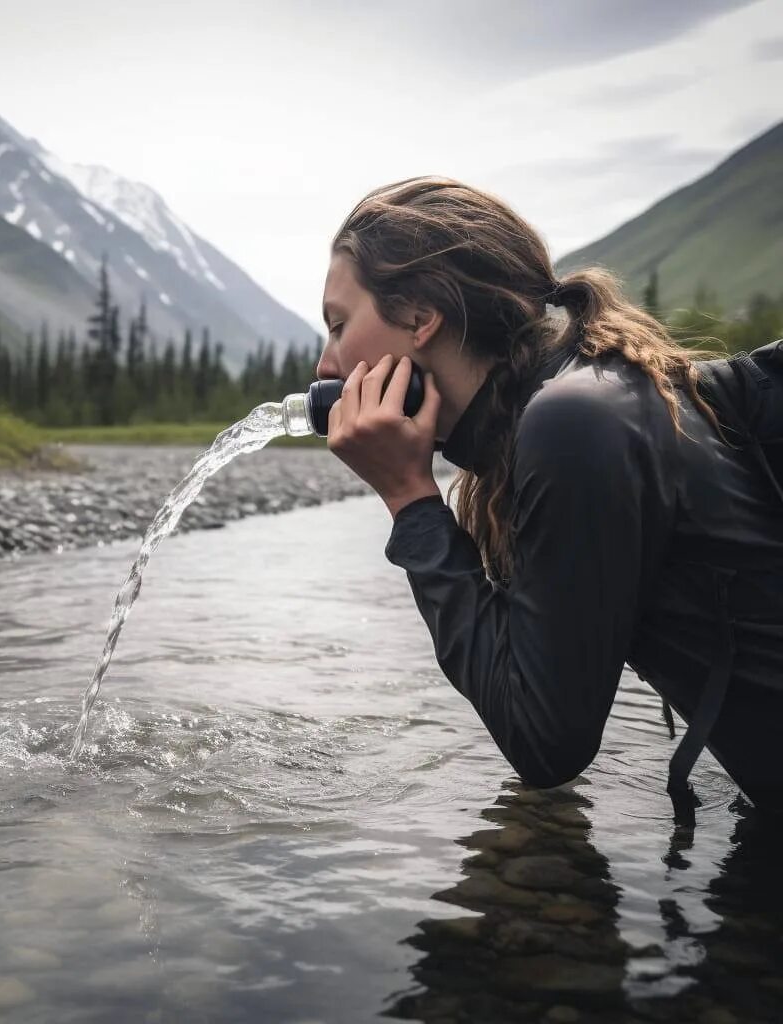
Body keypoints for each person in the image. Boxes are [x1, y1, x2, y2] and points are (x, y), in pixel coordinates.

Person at [318, 176, 783, 818]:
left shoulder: (574, 421)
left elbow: (544, 744)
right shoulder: (579, 404)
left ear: (421, 317)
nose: (325, 364)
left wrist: (409, 497)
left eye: (339, 325)